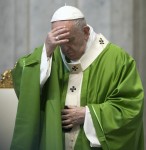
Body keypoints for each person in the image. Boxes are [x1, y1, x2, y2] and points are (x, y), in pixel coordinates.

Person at [10, 5, 144, 150]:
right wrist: (46, 51)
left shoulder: (118, 60)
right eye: (60, 42)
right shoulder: (50, 56)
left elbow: (130, 107)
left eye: (70, 40)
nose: (65, 48)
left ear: (85, 32)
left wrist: (87, 114)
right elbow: (23, 81)